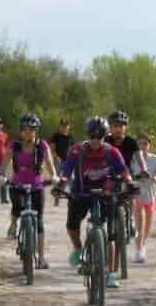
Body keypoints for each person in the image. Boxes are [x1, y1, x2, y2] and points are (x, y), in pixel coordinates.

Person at [54, 116, 132, 288]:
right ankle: (78, 248)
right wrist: (60, 185)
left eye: (100, 137)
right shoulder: (77, 150)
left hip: (105, 194)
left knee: (110, 236)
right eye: (92, 136)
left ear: (105, 136)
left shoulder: (111, 151)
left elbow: (124, 171)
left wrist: (130, 183)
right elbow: (66, 171)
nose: (96, 140)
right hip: (81, 193)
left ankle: (111, 274)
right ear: (87, 135)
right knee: (72, 225)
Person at [0, 113, 57, 268]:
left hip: (37, 186)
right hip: (17, 185)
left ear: (36, 131)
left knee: (39, 221)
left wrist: (54, 176)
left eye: (32, 129)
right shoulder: (14, 145)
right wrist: (1, 175)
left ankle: (41, 258)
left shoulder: (41, 145)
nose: (28, 132)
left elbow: (49, 162)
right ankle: (13, 224)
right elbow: (5, 160)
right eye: (25, 129)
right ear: (21, 130)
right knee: (17, 207)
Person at [131, 132, 156, 264]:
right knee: (140, 219)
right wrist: (135, 177)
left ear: (149, 145)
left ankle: (143, 244)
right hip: (137, 192)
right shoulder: (132, 158)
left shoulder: (154, 159)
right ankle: (139, 249)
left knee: (148, 222)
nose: (143, 146)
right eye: (140, 144)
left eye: (145, 144)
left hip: (151, 193)